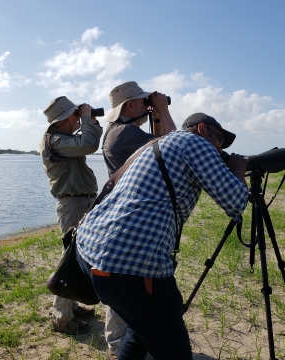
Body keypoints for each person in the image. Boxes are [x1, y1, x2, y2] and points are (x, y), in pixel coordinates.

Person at [76, 112, 249, 359]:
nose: (220, 149)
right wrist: (238, 170)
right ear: (202, 129)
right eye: (219, 140)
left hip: (91, 249)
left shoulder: (158, 142)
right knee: (175, 351)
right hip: (129, 264)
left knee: (143, 326)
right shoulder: (197, 143)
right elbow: (236, 201)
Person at [101, 81, 176, 359]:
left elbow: (157, 147)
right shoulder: (123, 134)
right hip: (127, 217)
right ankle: (119, 345)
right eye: (143, 101)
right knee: (126, 282)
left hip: (127, 214)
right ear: (129, 106)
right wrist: (163, 110)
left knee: (128, 281)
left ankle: (125, 342)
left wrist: (156, 113)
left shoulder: (121, 131)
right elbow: (169, 146)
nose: (147, 105)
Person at [39, 96, 103, 335]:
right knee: (70, 261)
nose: (78, 118)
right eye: (75, 115)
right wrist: (86, 119)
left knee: (75, 258)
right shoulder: (55, 140)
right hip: (73, 205)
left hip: (79, 203)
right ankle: (61, 318)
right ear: (65, 118)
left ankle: (71, 306)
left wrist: (89, 120)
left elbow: (89, 139)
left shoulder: (63, 139)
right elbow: (89, 144)